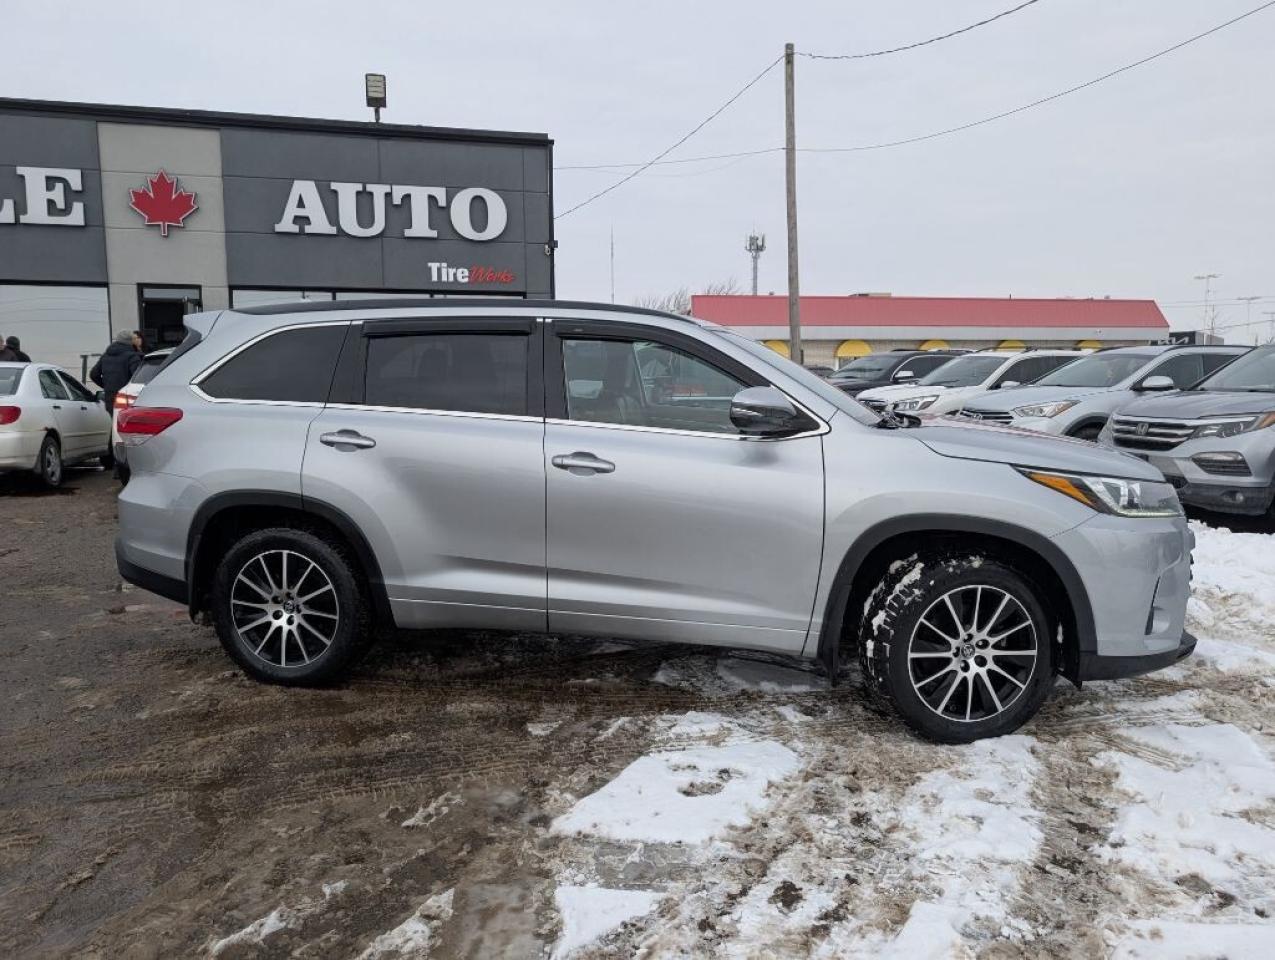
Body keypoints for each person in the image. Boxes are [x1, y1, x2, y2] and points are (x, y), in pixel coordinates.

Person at [89, 329, 143, 411]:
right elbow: (139, 377)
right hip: (127, 398)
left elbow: (93, 374)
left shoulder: (106, 355)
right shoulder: (132, 356)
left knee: (115, 421)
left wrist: (106, 386)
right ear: (130, 341)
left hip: (110, 397)